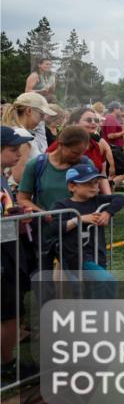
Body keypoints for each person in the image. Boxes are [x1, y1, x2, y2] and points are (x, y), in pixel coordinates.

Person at [16, 126, 96, 272]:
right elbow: (23, 198)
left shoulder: (85, 165)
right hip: (44, 235)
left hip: (76, 236)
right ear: (61, 144)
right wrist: (42, 212)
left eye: (82, 153)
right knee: (44, 282)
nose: (79, 157)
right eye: (74, 152)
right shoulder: (37, 165)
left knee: (77, 282)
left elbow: (96, 194)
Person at [50, 163, 124, 293]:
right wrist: (79, 219)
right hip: (77, 256)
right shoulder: (62, 205)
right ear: (72, 186)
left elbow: (121, 198)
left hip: (98, 253)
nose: (94, 186)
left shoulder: (98, 200)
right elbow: (55, 228)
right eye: (87, 183)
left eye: (96, 182)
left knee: (92, 291)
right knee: (108, 281)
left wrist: (108, 213)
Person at [1, 127, 38, 382]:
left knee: (11, 310)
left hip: (9, 248)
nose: (18, 155)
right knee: (8, 313)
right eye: (13, 150)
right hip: (3, 254)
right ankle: (6, 364)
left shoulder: (3, 177)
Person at [48, 108, 114, 196]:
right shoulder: (60, 146)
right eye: (88, 120)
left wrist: (108, 197)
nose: (93, 123)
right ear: (74, 123)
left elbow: (102, 176)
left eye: (96, 120)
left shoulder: (97, 146)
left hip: (91, 201)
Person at [2, 92, 57, 184]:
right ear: (29, 111)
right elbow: (18, 176)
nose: (42, 119)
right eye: (41, 114)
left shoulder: (16, 131)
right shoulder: (22, 135)